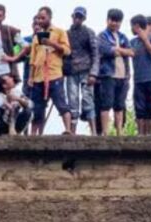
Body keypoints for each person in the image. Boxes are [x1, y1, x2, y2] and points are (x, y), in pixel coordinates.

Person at [28, 7, 72, 136]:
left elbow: (67, 50)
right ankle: (34, 134)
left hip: (54, 74)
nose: (40, 20)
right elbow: (32, 58)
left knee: (61, 103)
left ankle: (68, 129)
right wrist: (30, 77)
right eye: (39, 18)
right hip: (38, 76)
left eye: (43, 18)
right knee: (37, 108)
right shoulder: (36, 37)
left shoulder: (59, 32)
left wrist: (52, 43)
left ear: (49, 17)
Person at [96, 9, 133, 137]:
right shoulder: (102, 36)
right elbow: (105, 50)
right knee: (106, 104)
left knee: (119, 105)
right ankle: (105, 132)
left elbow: (131, 52)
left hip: (124, 76)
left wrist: (118, 50)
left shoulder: (123, 36)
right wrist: (121, 50)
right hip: (108, 75)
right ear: (107, 20)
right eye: (112, 20)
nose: (114, 23)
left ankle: (119, 132)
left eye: (117, 21)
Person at [65, 7, 99, 135]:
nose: (77, 19)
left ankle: (94, 132)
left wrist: (93, 73)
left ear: (84, 19)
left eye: (80, 17)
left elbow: (96, 54)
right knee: (72, 101)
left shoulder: (89, 32)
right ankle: (72, 132)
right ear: (72, 16)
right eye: (76, 16)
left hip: (86, 70)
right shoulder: (66, 33)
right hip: (71, 71)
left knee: (87, 100)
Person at [130, 15, 151, 136]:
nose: (131, 29)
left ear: (137, 26)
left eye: (132, 26)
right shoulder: (132, 41)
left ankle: (149, 134)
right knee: (139, 108)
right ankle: (140, 134)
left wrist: (145, 39)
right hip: (138, 79)